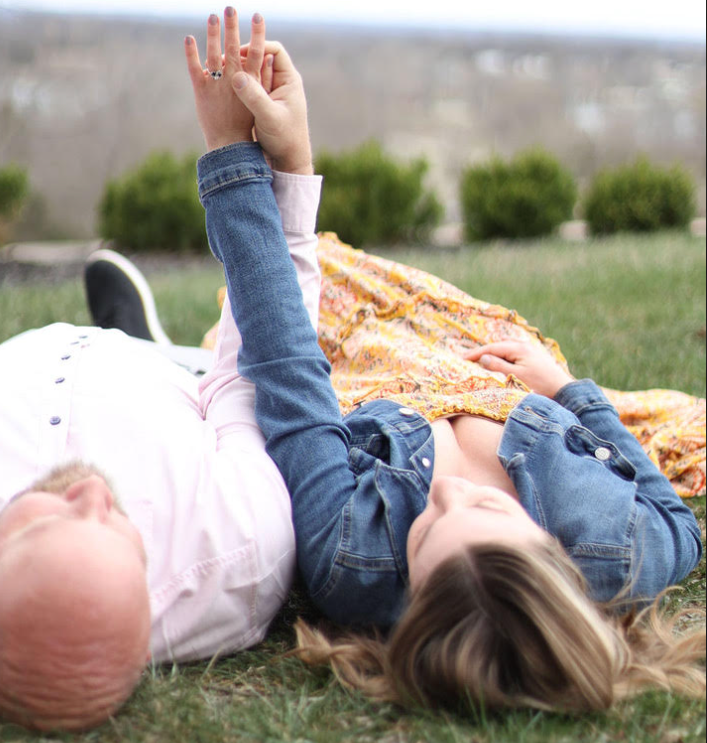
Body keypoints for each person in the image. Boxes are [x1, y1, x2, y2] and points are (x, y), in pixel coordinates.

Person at [184, 10, 706, 713]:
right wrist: (569, 391)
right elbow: (679, 521)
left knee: (273, 301)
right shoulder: (625, 550)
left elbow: (287, 366)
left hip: (367, 363)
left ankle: (177, 348)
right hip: (488, 361)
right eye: (488, 505)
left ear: (404, 604)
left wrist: (251, 159)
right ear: (563, 563)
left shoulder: (351, 559)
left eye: (425, 531)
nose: (445, 496)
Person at [0, 10, 317, 731]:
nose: (94, 495)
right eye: (119, 538)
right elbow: (264, 359)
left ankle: (133, 333)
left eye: (50, 524)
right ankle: (145, 340)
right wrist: (282, 170)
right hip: (179, 386)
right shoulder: (239, 551)